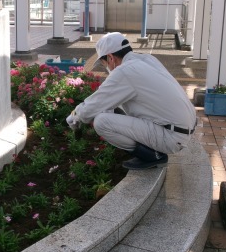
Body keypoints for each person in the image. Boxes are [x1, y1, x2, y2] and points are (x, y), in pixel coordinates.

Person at [66, 32, 197, 170]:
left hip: (172, 137)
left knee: (101, 122)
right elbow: (107, 101)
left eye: (104, 63)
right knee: (113, 109)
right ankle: (152, 149)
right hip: (184, 127)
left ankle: (153, 156)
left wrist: (75, 116)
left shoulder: (124, 71)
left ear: (110, 57)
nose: (106, 68)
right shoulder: (147, 59)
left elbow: (95, 104)